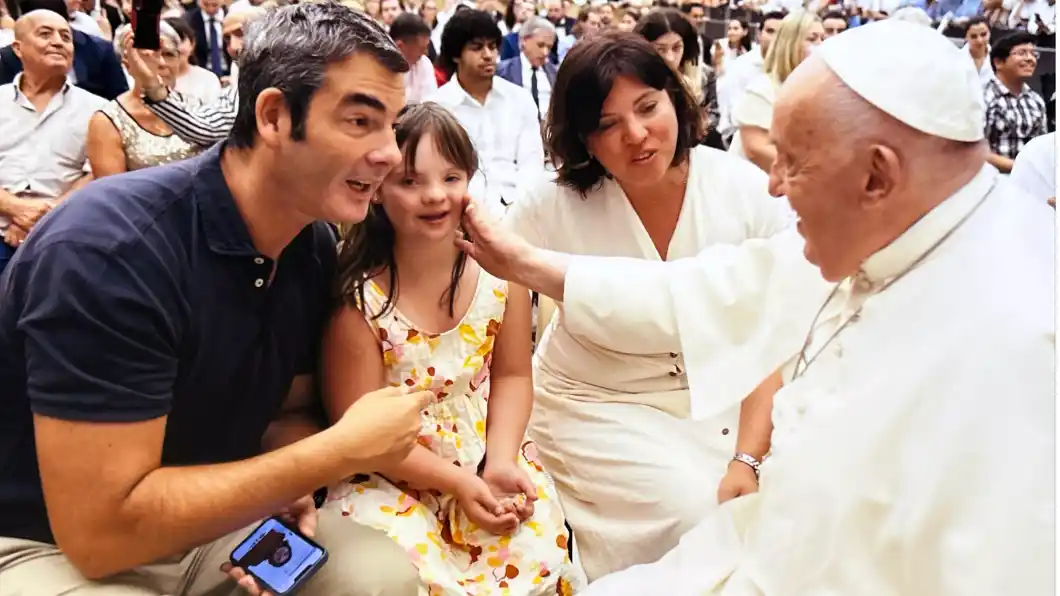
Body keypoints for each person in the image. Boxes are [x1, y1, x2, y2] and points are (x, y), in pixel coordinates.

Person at [458, 20, 1054, 595]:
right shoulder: (898, 234)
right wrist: (527, 265)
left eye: (793, 162)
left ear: (877, 175)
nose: (774, 185)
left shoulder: (1015, 329)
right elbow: (707, 289)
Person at [0, 4, 436, 595]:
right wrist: (332, 454)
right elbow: (98, 534)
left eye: (393, 123)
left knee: (377, 574)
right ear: (275, 115)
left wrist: (286, 487)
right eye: (361, 121)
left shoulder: (310, 244)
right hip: (45, 542)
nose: (389, 152)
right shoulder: (110, 251)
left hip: (207, 523)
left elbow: (285, 411)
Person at [499, 30, 808, 582]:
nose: (637, 136)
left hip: (729, 398)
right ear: (584, 139)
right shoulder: (548, 205)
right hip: (595, 401)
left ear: (676, 98)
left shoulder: (742, 188)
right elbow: (493, 314)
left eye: (647, 107)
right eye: (607, 124)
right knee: (694, 510)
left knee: (798, 505)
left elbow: (773, 337)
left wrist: (749, 456)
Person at [322, 103, 583, 595]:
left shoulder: (502, 278)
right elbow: (358, 432)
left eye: (452, 176)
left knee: (539, 547)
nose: (436, 195)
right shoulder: (360, 302)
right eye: (410, 181)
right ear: (376, 191)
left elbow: (511, 376)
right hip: (393, 476)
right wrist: (458, 484)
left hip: (485, 455)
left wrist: (501, 461)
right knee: (415, 571)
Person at [0, 9, 107, 273]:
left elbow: (99, 173)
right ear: (18, 48)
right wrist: (15, 208)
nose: (58, 42)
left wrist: (46, 215)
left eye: (65, 36)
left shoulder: (98, 109)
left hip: (65, 233)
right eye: (45, 34)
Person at [86, 24, 200, 178]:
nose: (161, 62)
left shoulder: (196, 106)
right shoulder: (108, 121)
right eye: (149, 55)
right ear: (127, 62)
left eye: (169, 54)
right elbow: (112, 193)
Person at [729, 10, 824, 172]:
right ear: (790, 43)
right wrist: (810, 172)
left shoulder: (813, 90)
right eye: (812, 39)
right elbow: (756, 148)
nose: (820, 45)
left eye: (823, 38)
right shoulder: (763, 88)